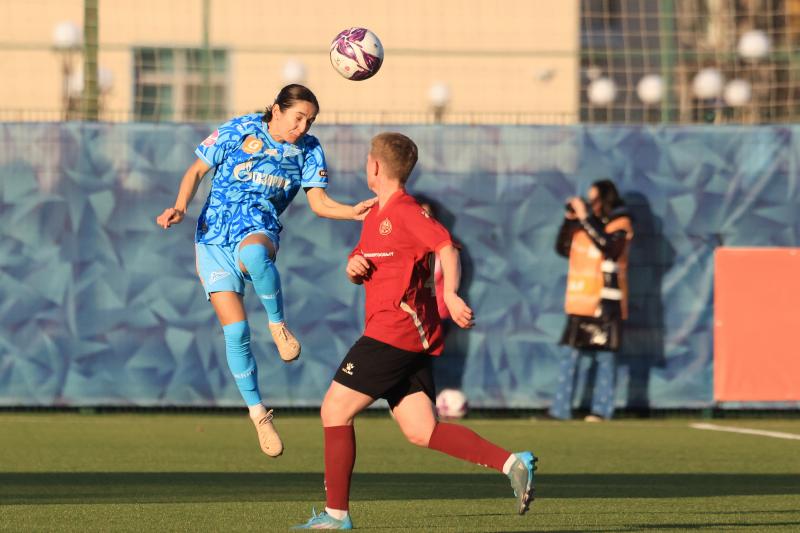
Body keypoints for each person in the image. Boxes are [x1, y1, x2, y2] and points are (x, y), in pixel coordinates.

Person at [293, 133, 537, 530]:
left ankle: (336, 515)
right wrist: (353, 268)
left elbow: (446, 248)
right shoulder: (375, 213)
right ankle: (513, 463)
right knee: (422, 430)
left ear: (374, 166)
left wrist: (451, 294)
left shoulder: (406, 211)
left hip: (396, 330)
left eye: (367, 160)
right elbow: (362, 263)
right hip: (403, 333)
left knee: (334, 410)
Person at [156, 84, 375, 458]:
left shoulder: (308, 150)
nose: (303, 127)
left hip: (257, 226)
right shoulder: (238, 129)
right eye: (298, 118)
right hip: (212, 240)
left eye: (310, 121)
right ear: (276, 110)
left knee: (256, 255)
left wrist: (351, 212)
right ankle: (258, 414)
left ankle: (278, 326)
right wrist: (179, 206)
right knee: (237, 332)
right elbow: (196, 170)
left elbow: (319, 203)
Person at [548, 179, 634, 422]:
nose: (590, 204)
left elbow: (609, 247)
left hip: (606, 302)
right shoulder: (583, 226)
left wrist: (585, 218)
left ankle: (601, 411)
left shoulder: (621, 223)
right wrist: (570, 220)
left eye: (594, 199)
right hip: (579, 301)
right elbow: (562, 248)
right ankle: (560, 410)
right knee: (569, 355)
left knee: (606, 357)